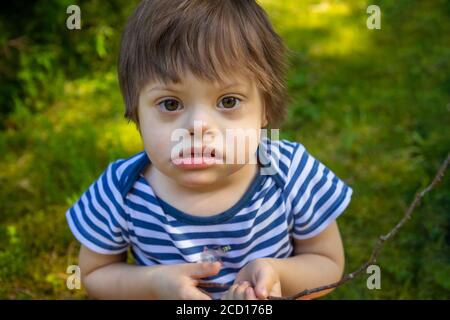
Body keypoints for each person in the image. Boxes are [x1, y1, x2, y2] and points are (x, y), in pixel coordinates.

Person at [65, 0, 354, 300]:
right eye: (171, 104)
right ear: (136, 113)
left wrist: (276, 273)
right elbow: (96, 272)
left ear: (265, 108)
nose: (198, 126)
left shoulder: (291, 172)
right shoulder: (120, 191)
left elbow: (327, 261)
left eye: (228, 101)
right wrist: (154, 283)